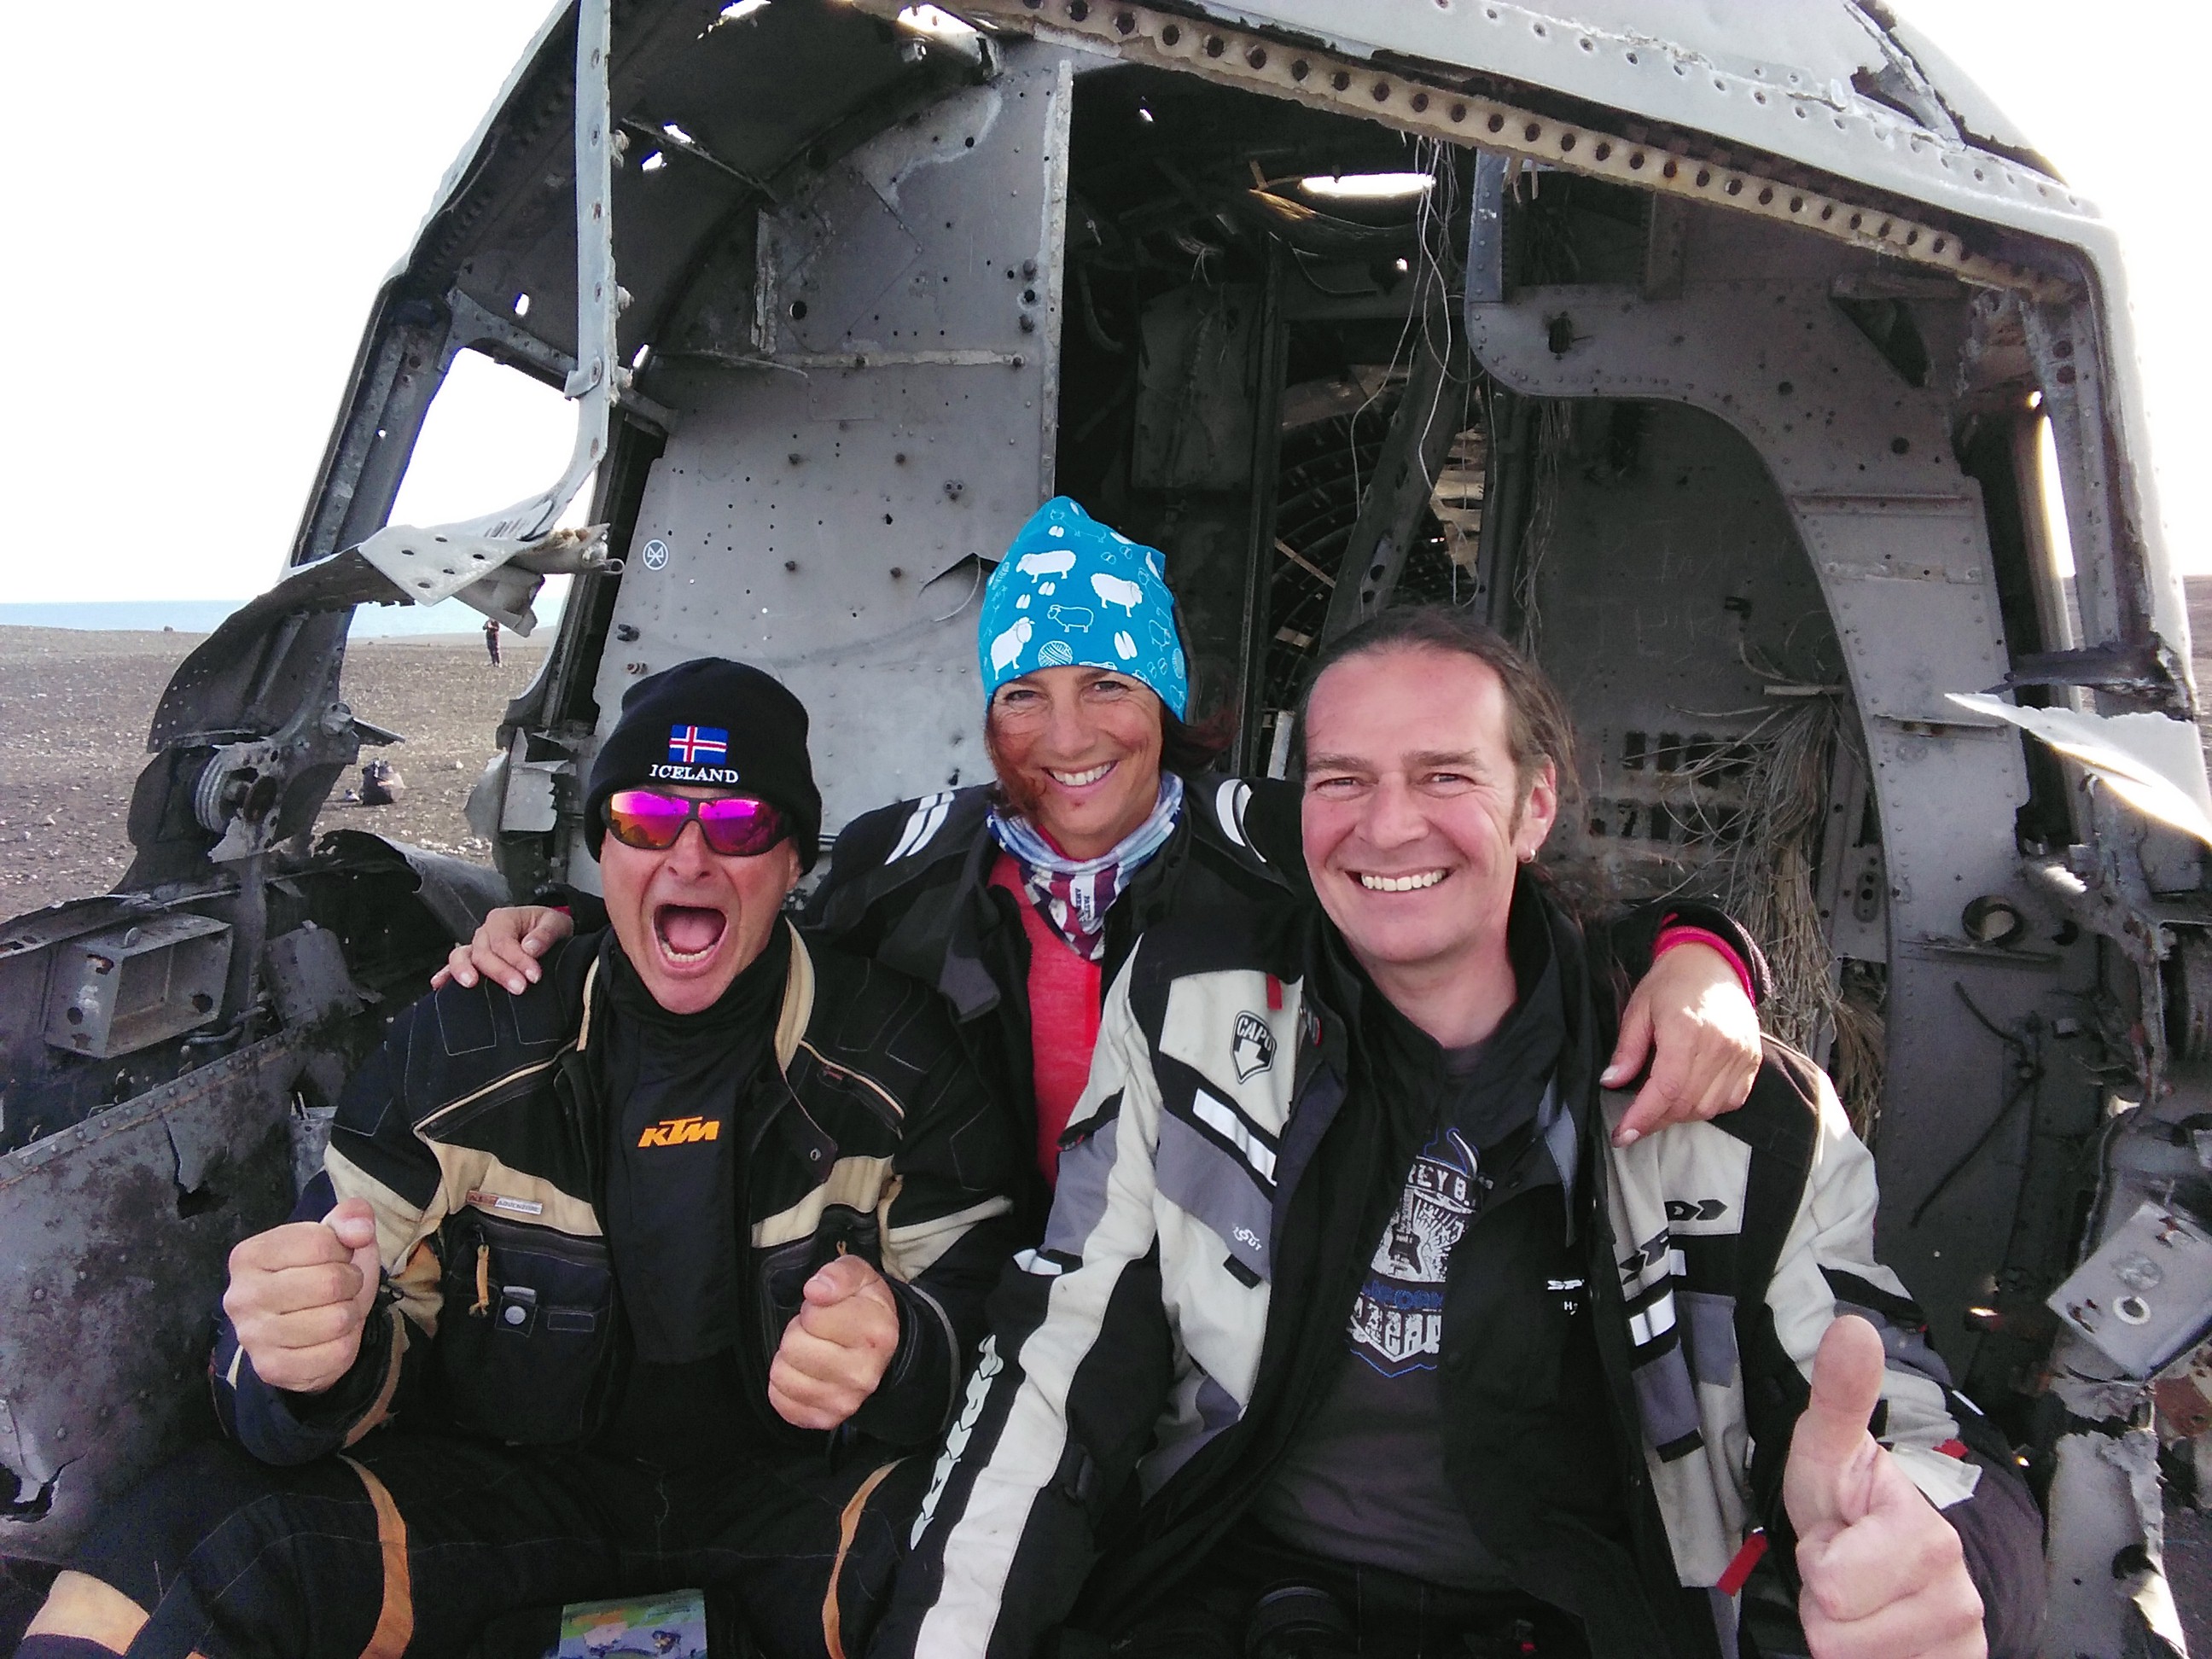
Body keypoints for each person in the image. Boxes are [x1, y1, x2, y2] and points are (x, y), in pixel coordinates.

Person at [872, 607, 2044, 1659]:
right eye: (1342, 780)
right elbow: (1057, 1367)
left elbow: (1909, 1423)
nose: (1388, 827)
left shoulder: (1738, 1111)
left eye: (1444, 776)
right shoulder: (1190, 1015)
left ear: (1536, 805)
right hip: (1236, 1587)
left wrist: (1949, 1559)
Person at [14, 661, 1022, 1659]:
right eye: (644, 818)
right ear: (601, 848)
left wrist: (902, 1350)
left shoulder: (897, 1055)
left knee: (1009, 1562)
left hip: (800, 1507)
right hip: (514, 1502)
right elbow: (310, 1333)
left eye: (741, 824)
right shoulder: (468, 1041)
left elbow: (995, 1334)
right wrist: (305, 1365)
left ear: (794, 859)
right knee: (175, 1552)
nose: (689, 859)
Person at [441, 499, 1771, 1211]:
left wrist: (1699, 959)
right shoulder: (908, 864)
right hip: (973, 1288)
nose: (1067, 738)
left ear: (1166, 703)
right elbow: (737, 929)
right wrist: (566, 924)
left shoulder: (1279, 844)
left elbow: (1518, 928)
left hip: (1231, 1308)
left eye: (1106, 687)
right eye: (1025, 694)